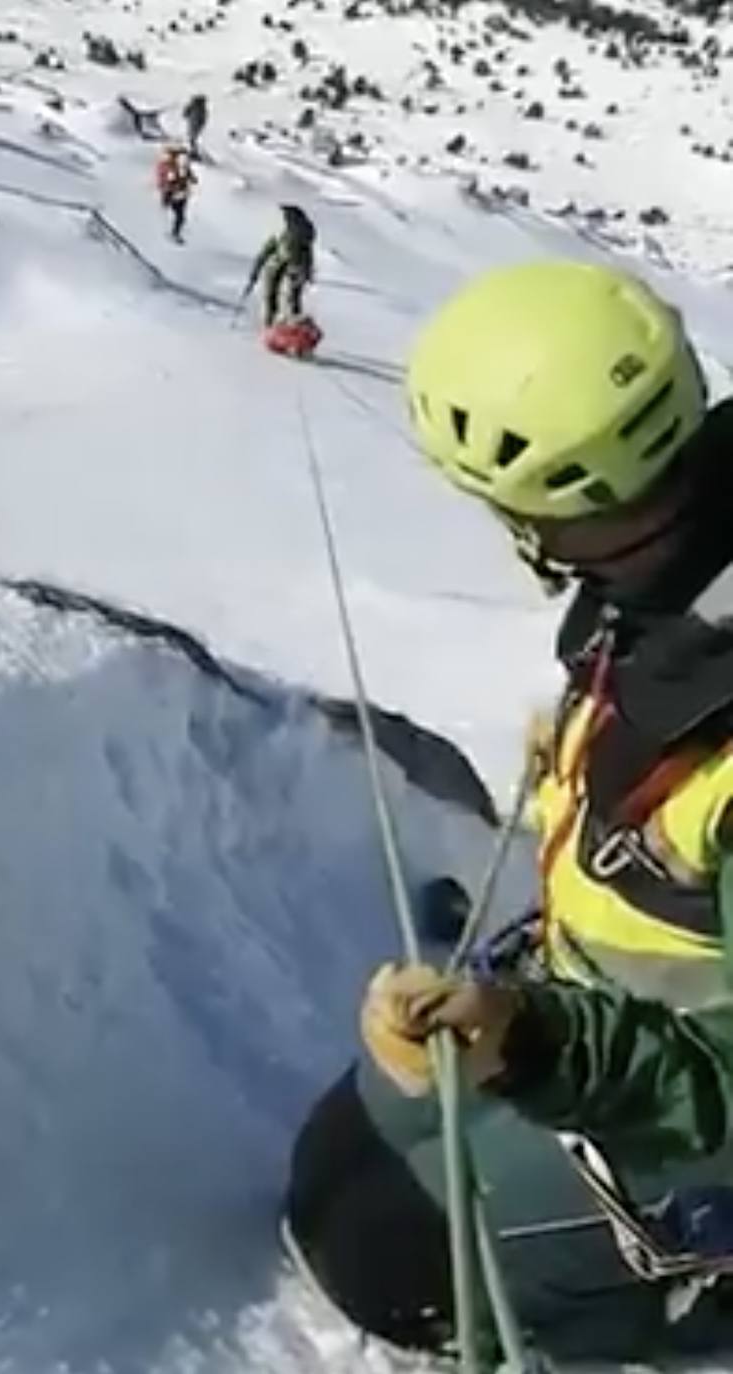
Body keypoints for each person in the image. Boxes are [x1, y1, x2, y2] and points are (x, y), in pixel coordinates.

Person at [286, 259, 733, 1363]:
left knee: (387, 1266)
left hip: (691, 1102)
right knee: (341, 1173)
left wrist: (537, 1043)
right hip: (618, 1015)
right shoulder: (674, 569)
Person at [245, 206, 315, 328]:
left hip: (287, 265)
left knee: (281, 294)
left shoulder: (287, 235)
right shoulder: (298, 235)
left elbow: (265, 253)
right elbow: (307, 255)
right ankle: (286, 322)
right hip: (288, 265)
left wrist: (255, 274)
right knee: (289, 295)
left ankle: (275, 323)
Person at [155, 143, 196, 244]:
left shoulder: (183, 166)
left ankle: (176, 230)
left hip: (181, 193)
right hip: (174, 193)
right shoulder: (170, 166)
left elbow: (189, 175)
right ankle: (175, 233)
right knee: (180, 216)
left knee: (181, 215)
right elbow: (168, 180)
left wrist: (191, 178)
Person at [183, 93, 208, 160]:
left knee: (192, 139)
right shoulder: (201, 108)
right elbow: (203, 119)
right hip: (195, 125)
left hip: (193, 124)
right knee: (193, 139)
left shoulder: (196, 107)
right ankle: (193, 152)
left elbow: (185, 114)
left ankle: (193, 153)